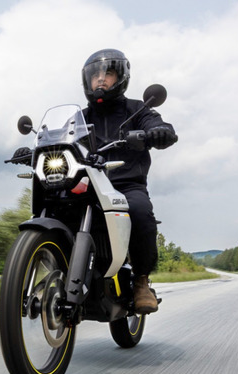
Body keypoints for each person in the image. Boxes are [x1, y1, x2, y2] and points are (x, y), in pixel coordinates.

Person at [81, 48, 178, 314]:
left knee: (140, 212)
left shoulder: (137, 109)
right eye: (96, 75)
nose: (101, 80)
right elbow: (57, 137)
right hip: (89, 185)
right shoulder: (79, 118)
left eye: (108, 74)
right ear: (86, 80)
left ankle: (141, 282)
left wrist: (159, 132)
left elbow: (162, 126)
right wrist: (34, 148)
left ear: (121, 77)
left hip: (126, 185)